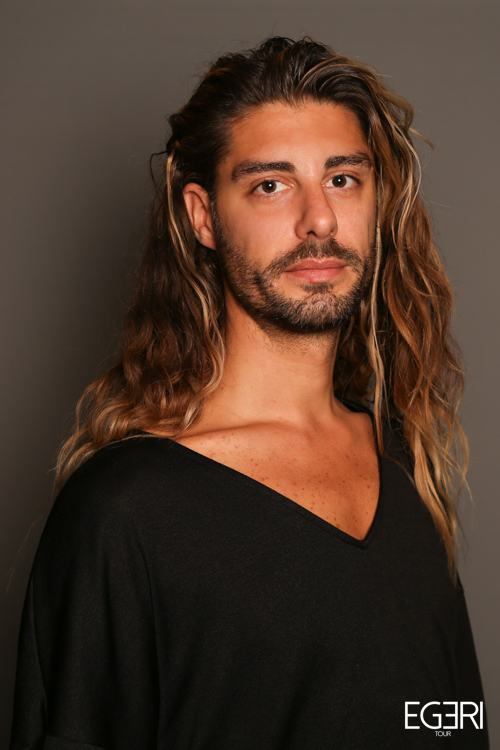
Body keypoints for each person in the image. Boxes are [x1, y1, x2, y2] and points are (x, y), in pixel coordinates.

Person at [10, 36, 488, 749]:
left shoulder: (404, 464)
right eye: (270, 185)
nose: (319, 219)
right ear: (202, 216)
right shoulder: (126, 512)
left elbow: (452, 717)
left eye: (342, 179)